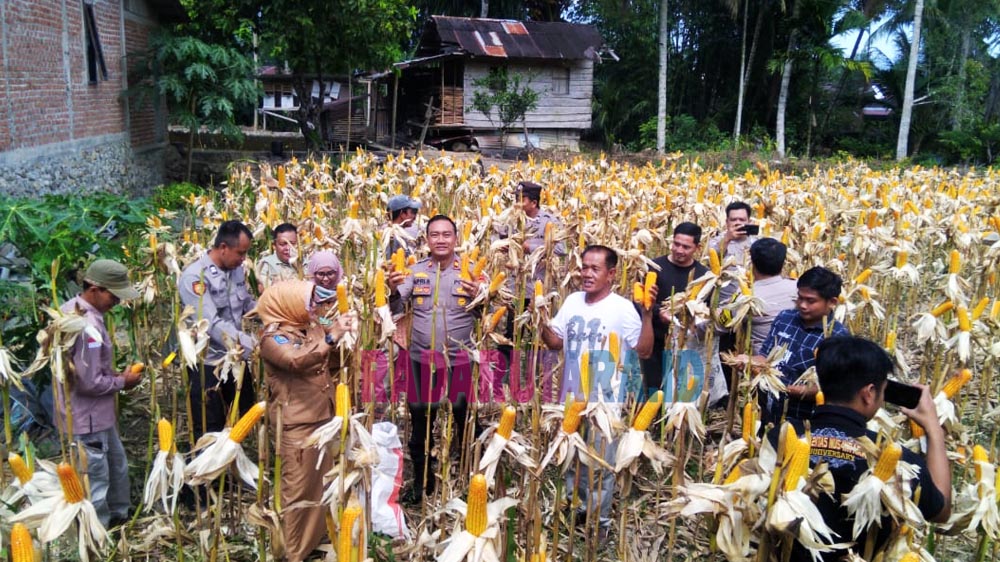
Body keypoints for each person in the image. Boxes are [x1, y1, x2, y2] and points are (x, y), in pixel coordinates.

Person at [768, 336, 951, 561]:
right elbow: (941, 511)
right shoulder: (898, 461)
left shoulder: (779, 437)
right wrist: (933, 428)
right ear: (869, 393)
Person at [541, 245, 654, 540]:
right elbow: (554, 342)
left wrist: (648, 316)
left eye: (595, 269)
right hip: (571, 395)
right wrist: (539, 316)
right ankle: (573, 511)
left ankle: (599, 525)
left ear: (611, 274)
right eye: (584, 267)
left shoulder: (622, 308)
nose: (587, 274)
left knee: (600, 465)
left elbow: (644, 349)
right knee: (570, 459)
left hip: (605, 401)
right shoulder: (573, 300)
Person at [256, 280, 357, 562]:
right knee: (297, 489)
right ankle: (292, 551)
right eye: (307, 301)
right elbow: (295, 362)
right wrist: (330, 337)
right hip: (295, 423)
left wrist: (344, 330)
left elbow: (333, 355)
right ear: (286, 304)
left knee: (318, 484)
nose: (312, 307)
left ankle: (313, 541)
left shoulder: (309, 326)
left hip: (321, 417)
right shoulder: (272, 338)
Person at [387, 214, 485, 503]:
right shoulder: (415, 271)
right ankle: (422, 482)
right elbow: (396, 304)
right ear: (427, 239)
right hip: (421, 359)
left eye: (446, 234)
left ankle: (472, 480)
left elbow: (488, 315)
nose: (441, 240)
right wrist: (391, 289)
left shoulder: (471, 273)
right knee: (419, 421)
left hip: (459, 360)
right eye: (435, 235)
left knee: (464, 417)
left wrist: (482, 296)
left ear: (456, 239)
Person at [55, 259, 143, 527]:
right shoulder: (86, 327)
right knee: (95, 480)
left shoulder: (71, 309)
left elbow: (86, 371)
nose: (117, 301)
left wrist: (115, 375)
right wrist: (123, 383)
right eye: (113, 295)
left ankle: (120, 517)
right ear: (94, 289)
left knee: (117, 466)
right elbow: (89, 382)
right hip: (87, 418)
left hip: (96, 416)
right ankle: (98, 535)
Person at [178, 220, 258, 439]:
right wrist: (251, 343)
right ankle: (208, 470)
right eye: (240, 253)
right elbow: (210, 323)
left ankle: (233, 466)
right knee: (210, 424)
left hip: (235, 355)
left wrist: (269, 312)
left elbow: (246, 304)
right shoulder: (195, 278)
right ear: (223, 247)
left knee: (244, 412)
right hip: (208, 361)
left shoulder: (236, 270)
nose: (243, 259)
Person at [755, 266, 849, 425]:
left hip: (804, 423)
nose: (803, 305)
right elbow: (764, 355)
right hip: (768, 414)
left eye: (811, 301)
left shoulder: (838, 338)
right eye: (800, 298)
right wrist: (748, 362)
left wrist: (785, 389)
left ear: (832, 302)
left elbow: (829, 390)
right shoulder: (784, 318)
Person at [495, 181, 566, 371]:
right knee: (510, 333)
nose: (516, 203)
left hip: (537, 289)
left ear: (533, 203)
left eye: (521, 199)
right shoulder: (511, 219)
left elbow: (560, 249)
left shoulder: (549, 222)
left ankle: (537, 375)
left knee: (539, 334)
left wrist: (530, 247)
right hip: (514, 288)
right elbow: (497, 238)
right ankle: (503, 373)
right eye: (515, 199)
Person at [641, 222, 708, 394]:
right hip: (656, 339)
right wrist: (658, 312)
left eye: (686, 247)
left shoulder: (703, 275)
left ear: (697, 248)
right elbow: (640, 301)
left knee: (679, 389)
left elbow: (704, 308)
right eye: (676, 244)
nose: (679, 250)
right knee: (654, 388)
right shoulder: (654, 267)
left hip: (686, 343)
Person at [710, 202, 757, 397]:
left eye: (742, 220)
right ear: (727, 221)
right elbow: (712, 266)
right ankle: (728, 394)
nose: (738, 223)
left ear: (749, 221)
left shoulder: (758, 243)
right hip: (726, 307)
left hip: (752, 305)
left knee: (750, 351)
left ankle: (748, 394)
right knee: (726, 352)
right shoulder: (717, 242)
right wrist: (728, 239)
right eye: (733, 220)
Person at [748, 238, 797, 354]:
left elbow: (721, 325)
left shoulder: (748, 297)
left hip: (759, 362)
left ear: (752, 263)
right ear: (783, 263)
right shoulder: (799, 288)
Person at [256, 223, 300, 293]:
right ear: (274, 245)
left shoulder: (306, 263)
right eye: (283, 244)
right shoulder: (265, 265)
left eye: (292, 243)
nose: (288, 248)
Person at [306, 250, 344, 321]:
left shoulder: (346, 290)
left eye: (330, 273)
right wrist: (330, 325)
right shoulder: (307, 294)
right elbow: (310, 319)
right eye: (321, 274)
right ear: (313, 273)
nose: (326, 279)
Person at [384, 195, 422, 259]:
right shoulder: (392, 237)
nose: (415, 217)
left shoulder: (400, 235)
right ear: (402, 214)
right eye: (413, 212)